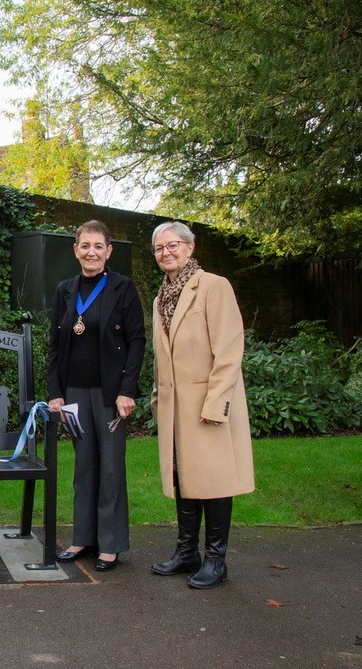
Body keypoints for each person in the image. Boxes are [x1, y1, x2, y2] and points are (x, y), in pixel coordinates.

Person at [149, 221, 255, 589]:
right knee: (183, 477)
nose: (167, 252)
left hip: (207, 404)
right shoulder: (160, 297)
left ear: (190, 247)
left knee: (214, 479)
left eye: (173, 245)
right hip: (176, 406)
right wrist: (157, 396)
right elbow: (162, 356)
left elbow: (229, 348)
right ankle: (186, 552)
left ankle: (216, 559)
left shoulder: (213, 286)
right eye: (160, 248)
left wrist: (216, 403)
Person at [48, 220, 145, 572]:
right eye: (84, 246)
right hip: (74, 393)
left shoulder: (123, 288)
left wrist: (127, 390)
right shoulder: (65, 290)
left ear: (109, 251)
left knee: (110, 468)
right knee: (83, 467)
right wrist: (55, 393)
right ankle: (82, 538)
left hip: (109, 395)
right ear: (75, 250)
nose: (91, 252)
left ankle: (110, 543)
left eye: (98, 246)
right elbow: (55, 346)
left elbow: (136, 342)